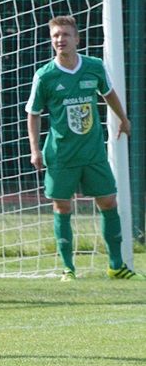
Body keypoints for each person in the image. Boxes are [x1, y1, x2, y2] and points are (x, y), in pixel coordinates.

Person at [26, 15, 142, 281]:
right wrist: (35, 149)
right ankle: (68, 268)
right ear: (52, 41)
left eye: (65, 35)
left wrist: (123, 119)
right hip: (61, 155)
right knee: (63, 208)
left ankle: (116, 266)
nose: (60, 40)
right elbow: (33, 113)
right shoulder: (45, 76)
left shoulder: (94, 67)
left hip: (93, 153)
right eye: (56, 36)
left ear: (76, 38)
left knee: (108, 202)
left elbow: (108, 93)